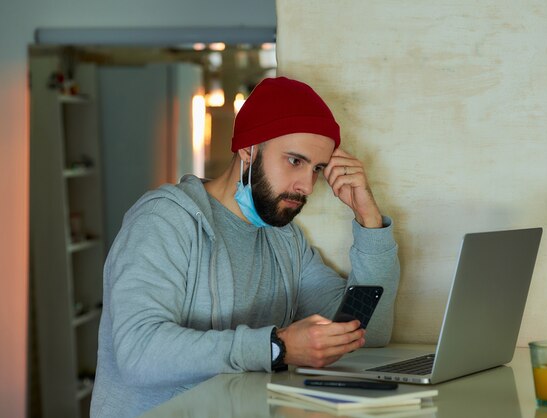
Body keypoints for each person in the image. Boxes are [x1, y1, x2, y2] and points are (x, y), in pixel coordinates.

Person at [90, 76, 400, 418]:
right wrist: (276, 346)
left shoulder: (284, 239)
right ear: (248, 148)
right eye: (295, 161)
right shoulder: (163, 220)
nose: (307, 186)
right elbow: (139, 353)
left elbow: (367, 330)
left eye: (318, 169)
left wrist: (368, 218)